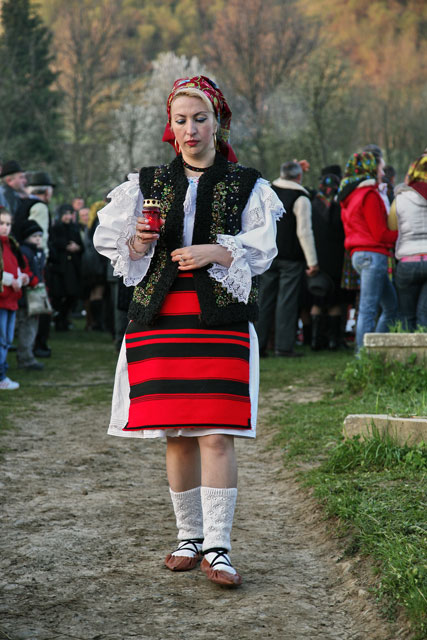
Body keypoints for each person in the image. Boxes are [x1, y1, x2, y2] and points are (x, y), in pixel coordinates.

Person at [94, 75, 283, 587]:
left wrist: (215, 251)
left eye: (200, 118)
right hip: (158, 321)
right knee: (175, 435)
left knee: (217, 433)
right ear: (170, 125)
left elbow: (261, 249)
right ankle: (188, 537)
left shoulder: (248, 184)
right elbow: (121, 253)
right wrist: (136, 240)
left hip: (217, 321)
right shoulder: (145, 184)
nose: (190, 129)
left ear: (218, 122)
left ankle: (218, 548)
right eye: (180, 120)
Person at [256, 160, 318, 358]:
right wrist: (312, 262)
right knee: (287, 302)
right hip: (291, 259)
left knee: (264, 301)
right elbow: (304, 232)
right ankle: (283, 347)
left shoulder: (267, 191)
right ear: (299, 177)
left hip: (267, 254)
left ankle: (258, 345)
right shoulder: (301, 198)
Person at [338, 151, 398, 351]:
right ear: (371, 169)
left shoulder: (350, 194)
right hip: (373, 255)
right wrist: (402, 234)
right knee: (368, 309)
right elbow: (380, 233)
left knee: (390, 306)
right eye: (380, 167)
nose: (382, 171)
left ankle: (375, 350)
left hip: (359, 254)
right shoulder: (369, 195)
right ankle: (363, 357)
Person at [388, 151, 427, 330]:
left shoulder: (400, 199)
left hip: (407, 261)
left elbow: (392, 228)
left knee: (406, 314)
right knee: (424, 314)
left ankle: (406, 357)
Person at [310, 170, 347, 350]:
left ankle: (316, 341)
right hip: (336, 259)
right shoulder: (340, 205)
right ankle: (334, 341)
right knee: (335, 301)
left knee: (318, 300)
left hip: (316, 259)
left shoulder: (312, 204)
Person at [0, 207, 30, 390]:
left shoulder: (11, 245)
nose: (5, 227)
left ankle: (2, 373)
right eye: (1, 223)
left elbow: (15, 266)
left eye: (8, 224)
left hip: (11, 299)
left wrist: (21, 277)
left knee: (7, 339)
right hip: (2, 299)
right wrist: (13, 281)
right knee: (2, 339)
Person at [49, 204, 84, 331]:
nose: (67, 216)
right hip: (60, 266)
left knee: (72, 294)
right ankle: (59, 319)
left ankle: (64, 317)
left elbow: (81, 245)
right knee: (59, 294)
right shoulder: (56, 228)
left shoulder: (75, 228)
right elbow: (53, 242)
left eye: (69, 213)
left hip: (72, 267)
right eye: (65, 214)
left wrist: (77, 247)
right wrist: (66, 246)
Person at [16, 220, 46, 370]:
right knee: (26, 328)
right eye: (35, 236)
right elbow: (24, 270)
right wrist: (34, 281)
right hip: (25, 297)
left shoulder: (38, 252)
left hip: (36, 296)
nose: (38, 239)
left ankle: (28, 355)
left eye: (40, 236)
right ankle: (25, 358)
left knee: (32, 327)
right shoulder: (24, 251)